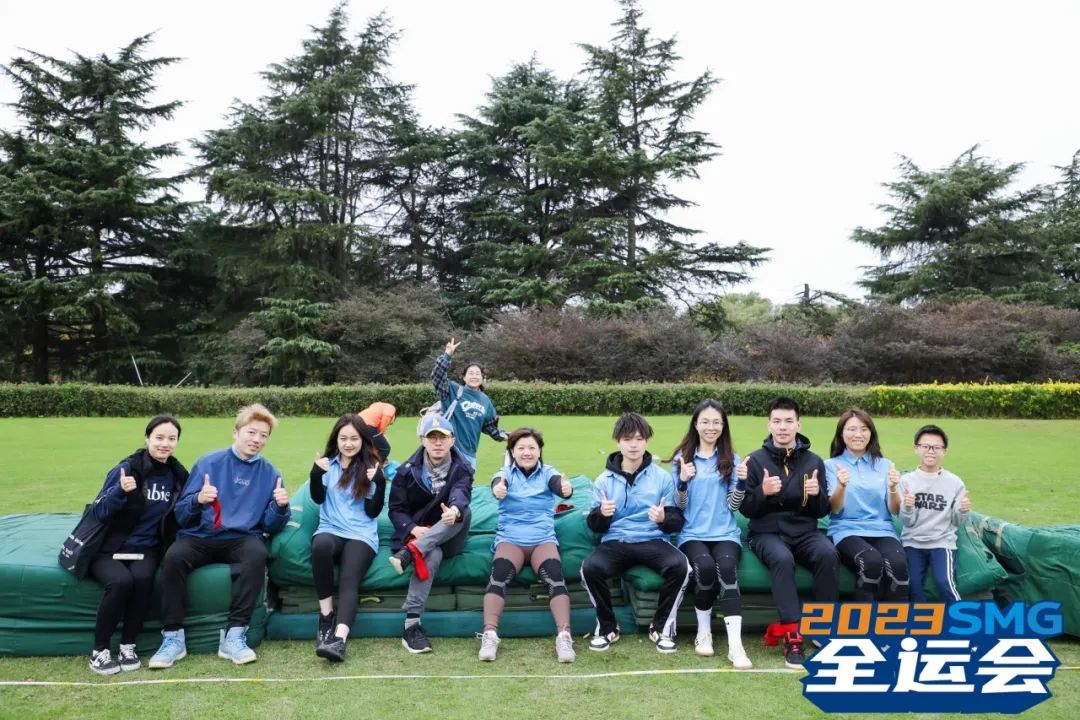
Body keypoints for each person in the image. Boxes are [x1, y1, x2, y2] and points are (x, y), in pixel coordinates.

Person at [148, 404, 290, 669]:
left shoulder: (271, 473)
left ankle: (235, 636)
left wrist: (280, 507)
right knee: (174, 557)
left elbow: (270, 525)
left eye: (263, 435)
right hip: (201, 535)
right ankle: (173, 638)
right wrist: (198, 499)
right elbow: (181, 514)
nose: (257, 439)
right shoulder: (208, 463)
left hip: (242, 538)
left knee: (256, 553)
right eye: (251, 432)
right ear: (236, 432)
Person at [84, 416, 189, 675]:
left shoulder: (177, 475)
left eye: (172, 439)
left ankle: (128, 646)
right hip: (108, 548)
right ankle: (99, 650)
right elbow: (99, 512)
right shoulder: (126, 469)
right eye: (159, 437)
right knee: (120, 582)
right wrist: (120, 492)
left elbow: (183, 513)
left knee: (142, 581)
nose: (165, 444)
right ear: (147, 439)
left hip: (146, 549)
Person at [581, 412, 690, 654]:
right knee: (589, 568)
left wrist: (663, 519)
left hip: (652, 539)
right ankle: (607, 627)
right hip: (616, 540)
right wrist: (602, 514)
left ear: (646, 441)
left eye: (639, 439)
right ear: (618, 441)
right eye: (627, 439)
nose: (633, 445)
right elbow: (595, 525)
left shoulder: (662, 478)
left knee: (681, 566)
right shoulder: (603, 480)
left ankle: (661, 628)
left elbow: (676, 520)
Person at [741, 396, 837, 669]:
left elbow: (821, 511)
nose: (782, 427)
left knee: (828, 553)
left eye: (788, 421)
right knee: (782, 559)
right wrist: (762, 492)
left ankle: (823, 627)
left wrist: (817, 496)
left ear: (798, 424)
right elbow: (747, 509)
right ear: (769, 425)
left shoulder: (814, 461)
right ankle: (793, 636)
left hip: (805, 531)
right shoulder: (755, 461)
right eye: (777, 421)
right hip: (766, 532)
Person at [667, 399, 752, 669]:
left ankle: (735, 645)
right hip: (692, 533)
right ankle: (704, 633)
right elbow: (679, 506)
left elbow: (733, 506)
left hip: (725, 533)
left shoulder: (731, 459)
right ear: (696, 424)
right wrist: (683, 481)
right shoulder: (682, 458)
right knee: (704, 567)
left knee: (726, 568)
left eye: (716, 422)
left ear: (723, 425)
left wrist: (742, 482)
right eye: (705, 421)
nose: (710, 427)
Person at [479, 428, 576, 663]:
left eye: (532, 448)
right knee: (499, 574)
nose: (527, 452)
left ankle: (564, 636)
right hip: (511, 539)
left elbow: (559, 485)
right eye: (521, 448)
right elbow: (497, 485)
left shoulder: (548, 472)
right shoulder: (504, 474)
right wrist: (497, 489)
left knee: (555, 576)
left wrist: (566, 489)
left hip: (542, 539)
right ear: (512, 452)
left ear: (539, 451)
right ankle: (490, 635)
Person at [387, 413, 474, 653]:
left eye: (442, 437)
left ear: (452, 440)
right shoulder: (405, 471)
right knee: (431, 554)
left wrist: (454, 510)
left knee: (463, 512)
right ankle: (412, 625)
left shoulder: (463, 467)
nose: (437, 443)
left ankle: (411, 552)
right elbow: (396, 510)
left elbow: (461, 492)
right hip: (418, 534)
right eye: (432, 437)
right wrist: (414, 529)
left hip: (449, 533)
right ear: (423, 440)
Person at [309, 414, 388, 662]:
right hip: (330, 529)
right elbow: (318, 498)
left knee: (349, 579)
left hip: (360, 534)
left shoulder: (370, 467)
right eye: (343, 438)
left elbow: (372, 512)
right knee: (320, 545)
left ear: (362, 440)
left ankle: (339, 640)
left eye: (354, 438)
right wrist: (315, 475)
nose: (348, 443)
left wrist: (380, 484)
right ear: (336, 439)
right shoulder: (327, 465)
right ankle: (326, 617)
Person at [824, 409, 909, 602]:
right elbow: (835, 509)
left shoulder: (886, 465)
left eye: (864, 429)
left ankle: (894, 620)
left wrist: (893, 487)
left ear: (871, 433)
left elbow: (895, 510)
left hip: (882, 530)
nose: (858, 434)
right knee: (871, 562)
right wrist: (841, 486)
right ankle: (863, 619)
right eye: (851, 429)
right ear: (841, 434)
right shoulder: (831, 465)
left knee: (898, 566)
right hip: (846, 530)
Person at [899, 424, 971, 603]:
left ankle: (959, 616)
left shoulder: (955, 483)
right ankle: (920, 619)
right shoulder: (906, 481)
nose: (931, 451)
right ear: (916, 448)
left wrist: (963, 509)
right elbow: (907, 522)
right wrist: (908, 506)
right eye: (926, 446)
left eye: (937, 447)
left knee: (944, 582)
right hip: (913, 542)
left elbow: (957, 521)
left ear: (944, 451)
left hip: (942, 542)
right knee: (913, 584)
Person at [430, 337, 507, 470]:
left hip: (470, 453)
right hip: (448, 449)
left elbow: (489, 427)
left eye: (478, 374)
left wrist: (504, 436)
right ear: (464, 377)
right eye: (470, 373)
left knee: (465, 482)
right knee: (444, 482)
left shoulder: (485, 401)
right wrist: (447, 355)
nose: (474, 376)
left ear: (482, 378)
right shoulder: (453, 390)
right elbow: (437, 376)